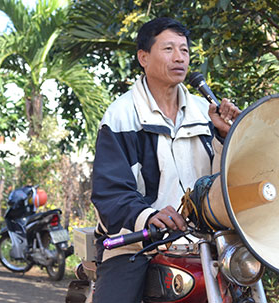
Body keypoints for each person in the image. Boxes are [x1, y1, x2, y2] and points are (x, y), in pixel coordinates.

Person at [91, 17, 241, 303]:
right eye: (169, 49)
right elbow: (109, 191)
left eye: (184, 50)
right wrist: (148, 217)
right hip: (137, 244)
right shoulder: (121, 115)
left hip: (205, 244)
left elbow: (223, 182)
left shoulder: (205, 113)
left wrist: (225, 138)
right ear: (143, 58)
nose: (179, 58)